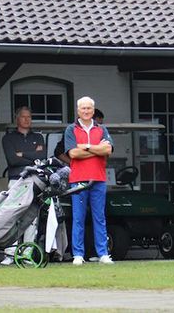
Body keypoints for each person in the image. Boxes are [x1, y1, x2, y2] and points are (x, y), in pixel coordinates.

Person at [65, 96, 114, 265]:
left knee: (99, 217)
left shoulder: (102, 129)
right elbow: (73, 154)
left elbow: (108, 149)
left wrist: (85, 147)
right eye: (83, 108)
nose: (86, 111)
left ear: (93, 110)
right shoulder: (71, 129)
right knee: (78, 217)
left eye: (89, 108)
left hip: (98, 178)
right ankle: (78, 254)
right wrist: (97, 150)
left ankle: (103, 253)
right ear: (78, 111)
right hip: (78, 178)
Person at [0, 106, 45, 265]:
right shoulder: (8, 138)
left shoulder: (39, 137)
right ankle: (10, 253)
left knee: (32, 216)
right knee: (13, 215)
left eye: (29, 117)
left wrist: (22, 154)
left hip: (35, 180)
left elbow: (41, 157)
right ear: (17, 119)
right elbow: (12, 160)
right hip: (16, 179)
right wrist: (31, 155)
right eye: (23, 117)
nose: (27, 119)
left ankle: (26, 254)